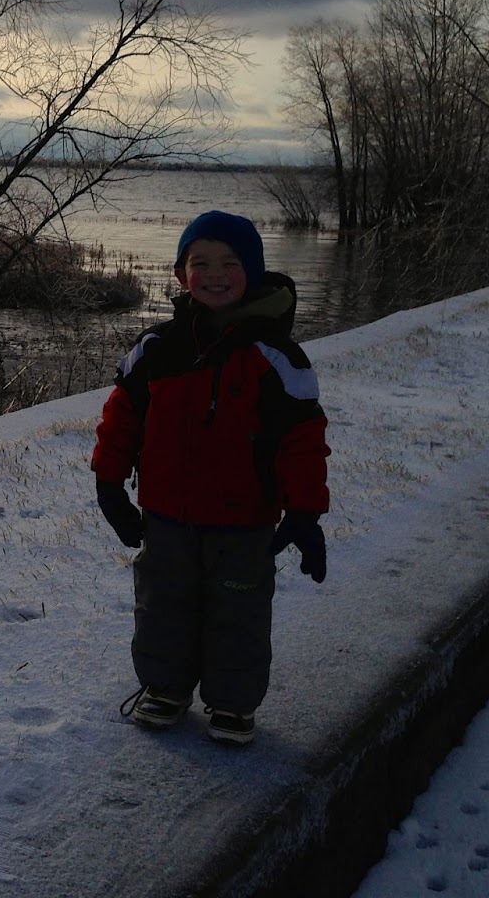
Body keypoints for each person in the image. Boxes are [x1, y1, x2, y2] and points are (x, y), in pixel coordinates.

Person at [90, 210, 330, 746]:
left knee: (237, 611)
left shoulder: (276, 357)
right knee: (163, 605)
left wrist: (305, 512)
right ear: (181, 275)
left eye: (230, 263)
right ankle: (164, 689)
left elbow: (303, 440)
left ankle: (232, 704)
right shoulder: (157, 350)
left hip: (243, 522)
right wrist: (110, 486)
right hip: (166, 517)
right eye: (200, 263)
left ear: (254, 272)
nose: (215, 274)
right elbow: (120, 420)